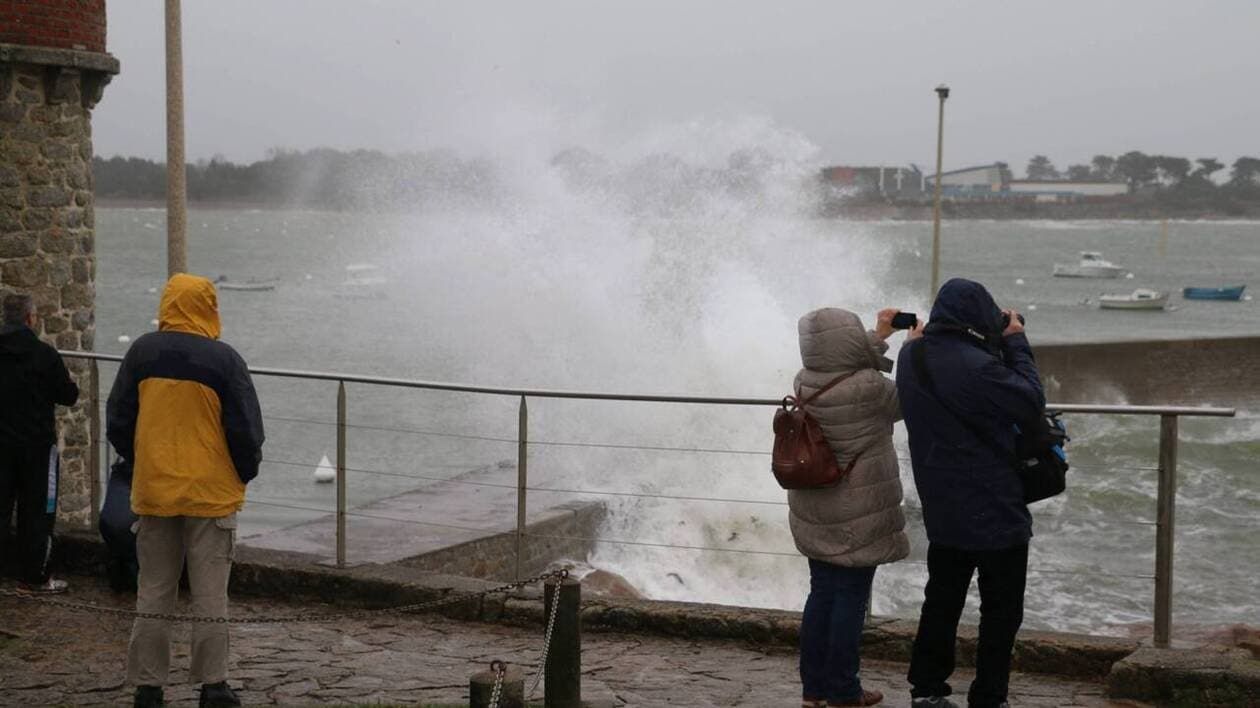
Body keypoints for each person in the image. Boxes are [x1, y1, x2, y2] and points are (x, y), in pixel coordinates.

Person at [107, 274, 264, 708]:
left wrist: (143, 463)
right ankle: (213, 685)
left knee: (154, 589)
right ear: (208, 307)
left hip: (155, 492)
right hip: (210, 495)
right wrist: (243, 473)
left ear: (168, 305)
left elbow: (118, 419)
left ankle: (148, 687)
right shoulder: (224, 361)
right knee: (211, 592)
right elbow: (245, 430)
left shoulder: (141, 353)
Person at [895, 278, 1045, 708]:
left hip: (941, 503)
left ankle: (926, 689)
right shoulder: (979, 367)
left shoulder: (912, 355)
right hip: (995, 505)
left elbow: (955, 383)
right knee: (1000, 612)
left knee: (941, 601)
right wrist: (1016, 341)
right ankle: (989, 696)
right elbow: (1029, 399)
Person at [789, 307, 912, 708]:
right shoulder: (869, 386)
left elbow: (847, 368)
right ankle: (845, 689)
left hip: (815, 503)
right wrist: (910, 350)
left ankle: (814, 688)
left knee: (822, 592)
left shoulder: (804, 381)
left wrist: (879, 337)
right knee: (851, 598)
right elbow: (904, 401)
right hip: (859, 508)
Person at [0, 293, 79, 593]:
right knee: (38, 512)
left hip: (2, 443)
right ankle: (35, 576)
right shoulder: (44, 355)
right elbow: (68, 395)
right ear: (30, 318)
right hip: (37, 446)